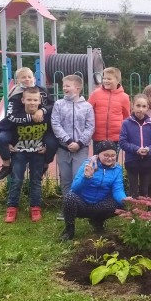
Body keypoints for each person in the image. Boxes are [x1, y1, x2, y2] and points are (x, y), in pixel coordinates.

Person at [0, 67, 58, 182]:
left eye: (29, 76)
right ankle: (6, 165)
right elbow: (11, 117)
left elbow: (53, 105)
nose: (27, 79)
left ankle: (45, 164)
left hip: (40, 127)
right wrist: (32, 117)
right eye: (23, 77)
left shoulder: (42, 90)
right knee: (2, 139)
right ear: (17, 80)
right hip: (16, 128)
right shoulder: (15, 94)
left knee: (52, 143)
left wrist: (41, 111)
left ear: (34, 78)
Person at [60, 140, 127, 241]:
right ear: (98, 154)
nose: (110, 158)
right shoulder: (88, 164)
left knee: (118, 204)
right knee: (69, 197)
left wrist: (125, 201)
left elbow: (118, 190)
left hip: (100, 204)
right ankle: (69, 230)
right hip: (83, 203)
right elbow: (74, 188)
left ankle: (97, 221)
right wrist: (86, 177)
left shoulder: (117, 169)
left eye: (113, 155)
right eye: (106, 155)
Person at [4, 87, 54, 223]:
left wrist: (47, 147)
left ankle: (35, 207)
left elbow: (51, 133)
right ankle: (12, 208)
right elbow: (3, 129)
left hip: (37, 152)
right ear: (23, 100)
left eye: (35, 100)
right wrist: (7, 143)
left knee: (35, 181)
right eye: (29, 100)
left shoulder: (45, 117)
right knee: (16, 180)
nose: (32, 102)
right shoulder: (16, 117)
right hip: (19, 152)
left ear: (40, 101)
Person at [51, 75, 95, 220]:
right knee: (65, 179)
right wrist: (68, 141)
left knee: (79, 178)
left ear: (78, 88)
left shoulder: (87, 106)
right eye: (63, 86)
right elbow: (55, 124)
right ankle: (67, 209)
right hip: (63, 149)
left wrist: (79, 143)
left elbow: (90, 127)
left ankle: (78, 207)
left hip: (81, 149)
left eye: (68, 86)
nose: (64, 88)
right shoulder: (58, 104)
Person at [119, 94, 151, 198]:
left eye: (143, 106)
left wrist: (149, 149)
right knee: (133, 190)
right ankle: (133, 212)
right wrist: (136, 149)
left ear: (147, 108)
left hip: (147, 162)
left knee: (145, 191)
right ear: (133, 106)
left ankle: (144, 212)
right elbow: (123, 142)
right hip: (132, 161)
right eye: (138, 106)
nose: (140, 109)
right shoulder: (126, 123)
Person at [88, 67, 130, 151]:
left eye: (109, 79)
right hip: (98, 136)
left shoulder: (124, 97)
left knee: (112, 160)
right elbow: (87, 110)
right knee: (97, 160)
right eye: (104, 78)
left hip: (115, 137)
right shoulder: (96, 94)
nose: (106, 81)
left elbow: (126, 116)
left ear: (117, 80)